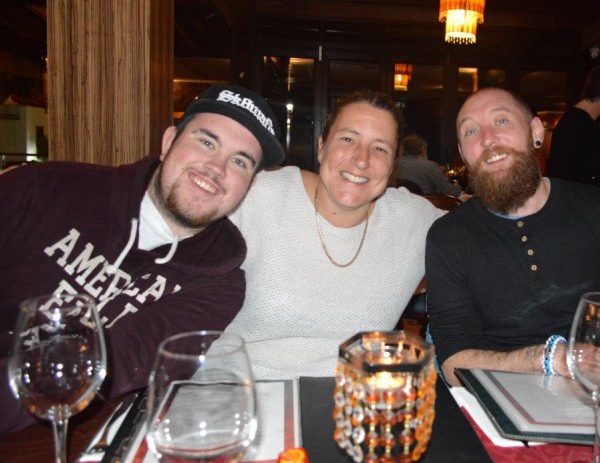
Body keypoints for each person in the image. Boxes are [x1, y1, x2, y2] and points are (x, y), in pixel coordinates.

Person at [0, 83, 285, 434]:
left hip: (55, 438)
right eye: (206, 142)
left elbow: (122, 362)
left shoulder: (218, 283)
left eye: (239, 161)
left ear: (249, 186)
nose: (215, 167)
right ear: (168, 143)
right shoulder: (42, 189)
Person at [426, 87, 600, 387]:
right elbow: (453, 365)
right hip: (496, 396)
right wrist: (548, 359)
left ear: (536, 132)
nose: (487, 138)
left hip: (594, 394)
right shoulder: (449, 235)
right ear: (463, 153)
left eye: (501, 121)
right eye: (471, 131)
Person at [224, 90, 444, 378]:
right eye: (348, 139)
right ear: (321, 147)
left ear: (393, 165)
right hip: (241, 388)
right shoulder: (258, 195)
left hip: (353, 397)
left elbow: (487, 239)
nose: (361, 159)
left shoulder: (413, 219)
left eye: (380, 148)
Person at [394, 133, 466, 198]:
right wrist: (457, 186)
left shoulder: (394, 163)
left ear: (403, 149)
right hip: (425, 204)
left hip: (399, 202)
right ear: (423, 149)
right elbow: (450, 192)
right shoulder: (430, 166)